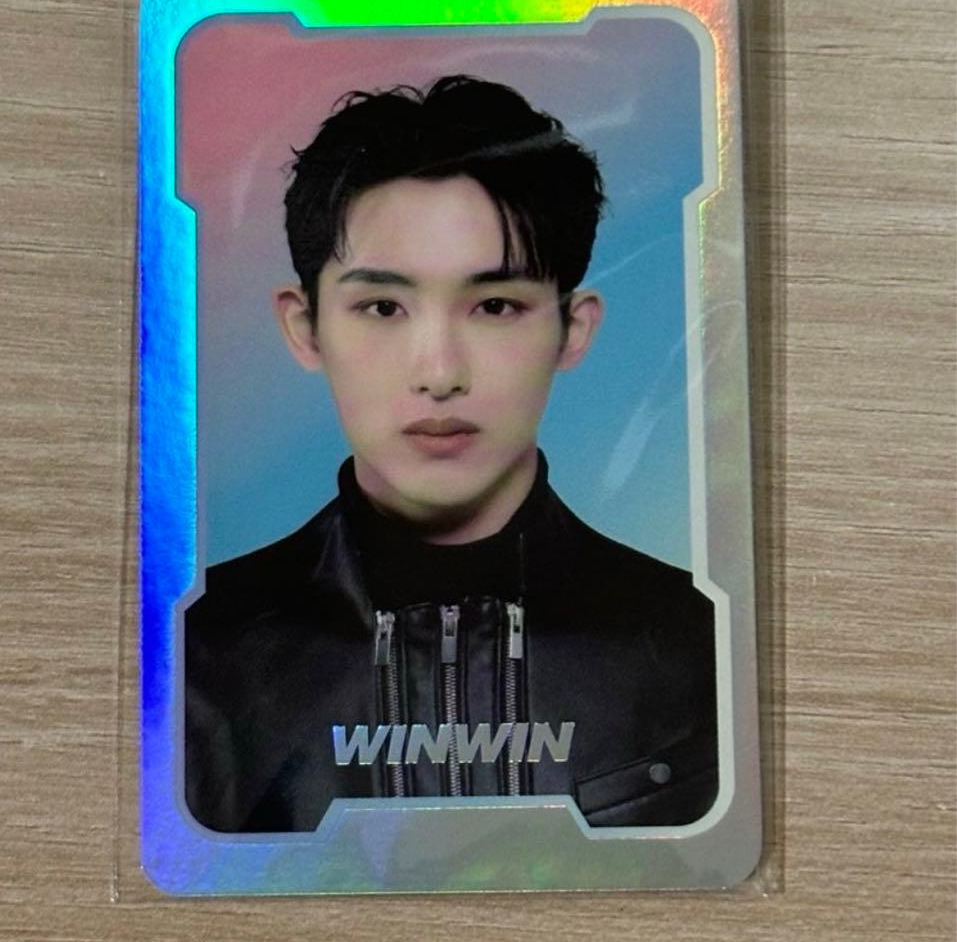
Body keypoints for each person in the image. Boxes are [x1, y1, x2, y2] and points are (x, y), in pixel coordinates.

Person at [184, 75, 718, 833]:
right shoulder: (195, 657)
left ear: (573, 329)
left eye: (495, 306)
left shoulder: (699, 646)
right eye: (382, 307)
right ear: (305, 328)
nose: (439, 373)